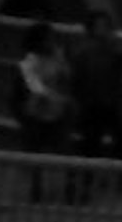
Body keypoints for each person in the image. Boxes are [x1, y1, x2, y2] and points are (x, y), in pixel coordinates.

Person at [11, 18, 77, 199]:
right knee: (35, 151)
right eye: (48, 38)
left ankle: (70, 186)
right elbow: (34, 87)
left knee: (65, 149)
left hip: (58, 110)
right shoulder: (28, 62)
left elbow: (67, 77)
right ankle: (36, 187)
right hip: (36, 111)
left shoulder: (58, 55)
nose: (51, 41)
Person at [67, 10, 122, 162]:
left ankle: (117, 174)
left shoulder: (114, 49)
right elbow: (76, 78)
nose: (104, 30)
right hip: (91, 103)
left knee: (120, 138)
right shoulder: (84, 52)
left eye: (105, 26)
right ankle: (87, 178)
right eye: (100, 26)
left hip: (109, 102)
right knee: (92, 142)